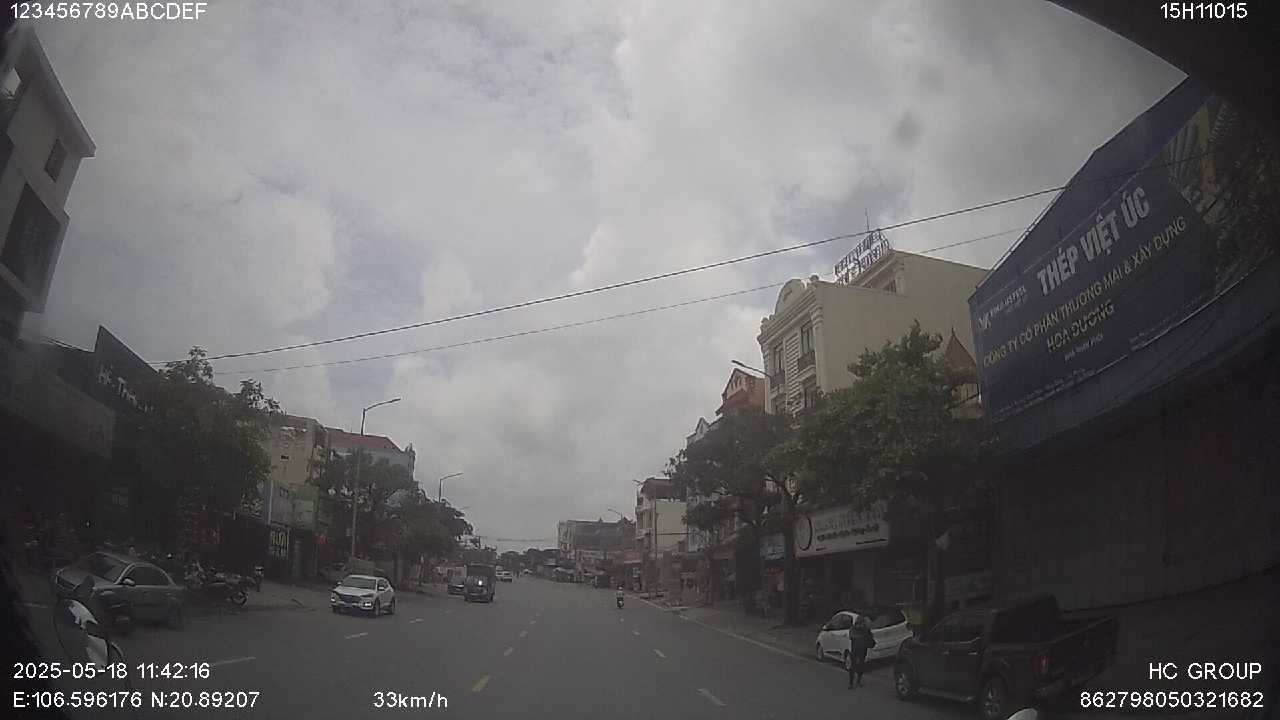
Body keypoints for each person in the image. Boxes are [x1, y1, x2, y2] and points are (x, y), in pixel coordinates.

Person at [847, 616, 876, 688]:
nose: (860, 625)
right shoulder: (853, 629)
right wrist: (864, 636)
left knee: (861, 665)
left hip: (861, 650)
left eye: (862, 623)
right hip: (856, 650)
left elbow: (870, 637)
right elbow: (851, 636)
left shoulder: (865, 629)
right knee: (853, 666)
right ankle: (851, 682)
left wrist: (867, 636)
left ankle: (857, 681)